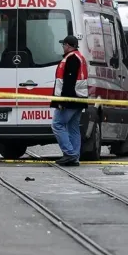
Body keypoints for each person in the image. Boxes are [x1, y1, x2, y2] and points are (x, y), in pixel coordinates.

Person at [51, 35, 88, 166]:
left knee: (57, 124)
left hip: (71, 99)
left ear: (68, 45)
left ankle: (70, 154)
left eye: (64, 45)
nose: (63, 47)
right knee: (73, 127)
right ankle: (75, 156)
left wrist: (62, 101)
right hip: (79, 98)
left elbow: (68, 82)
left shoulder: (71, 59)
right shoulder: (79, 57)